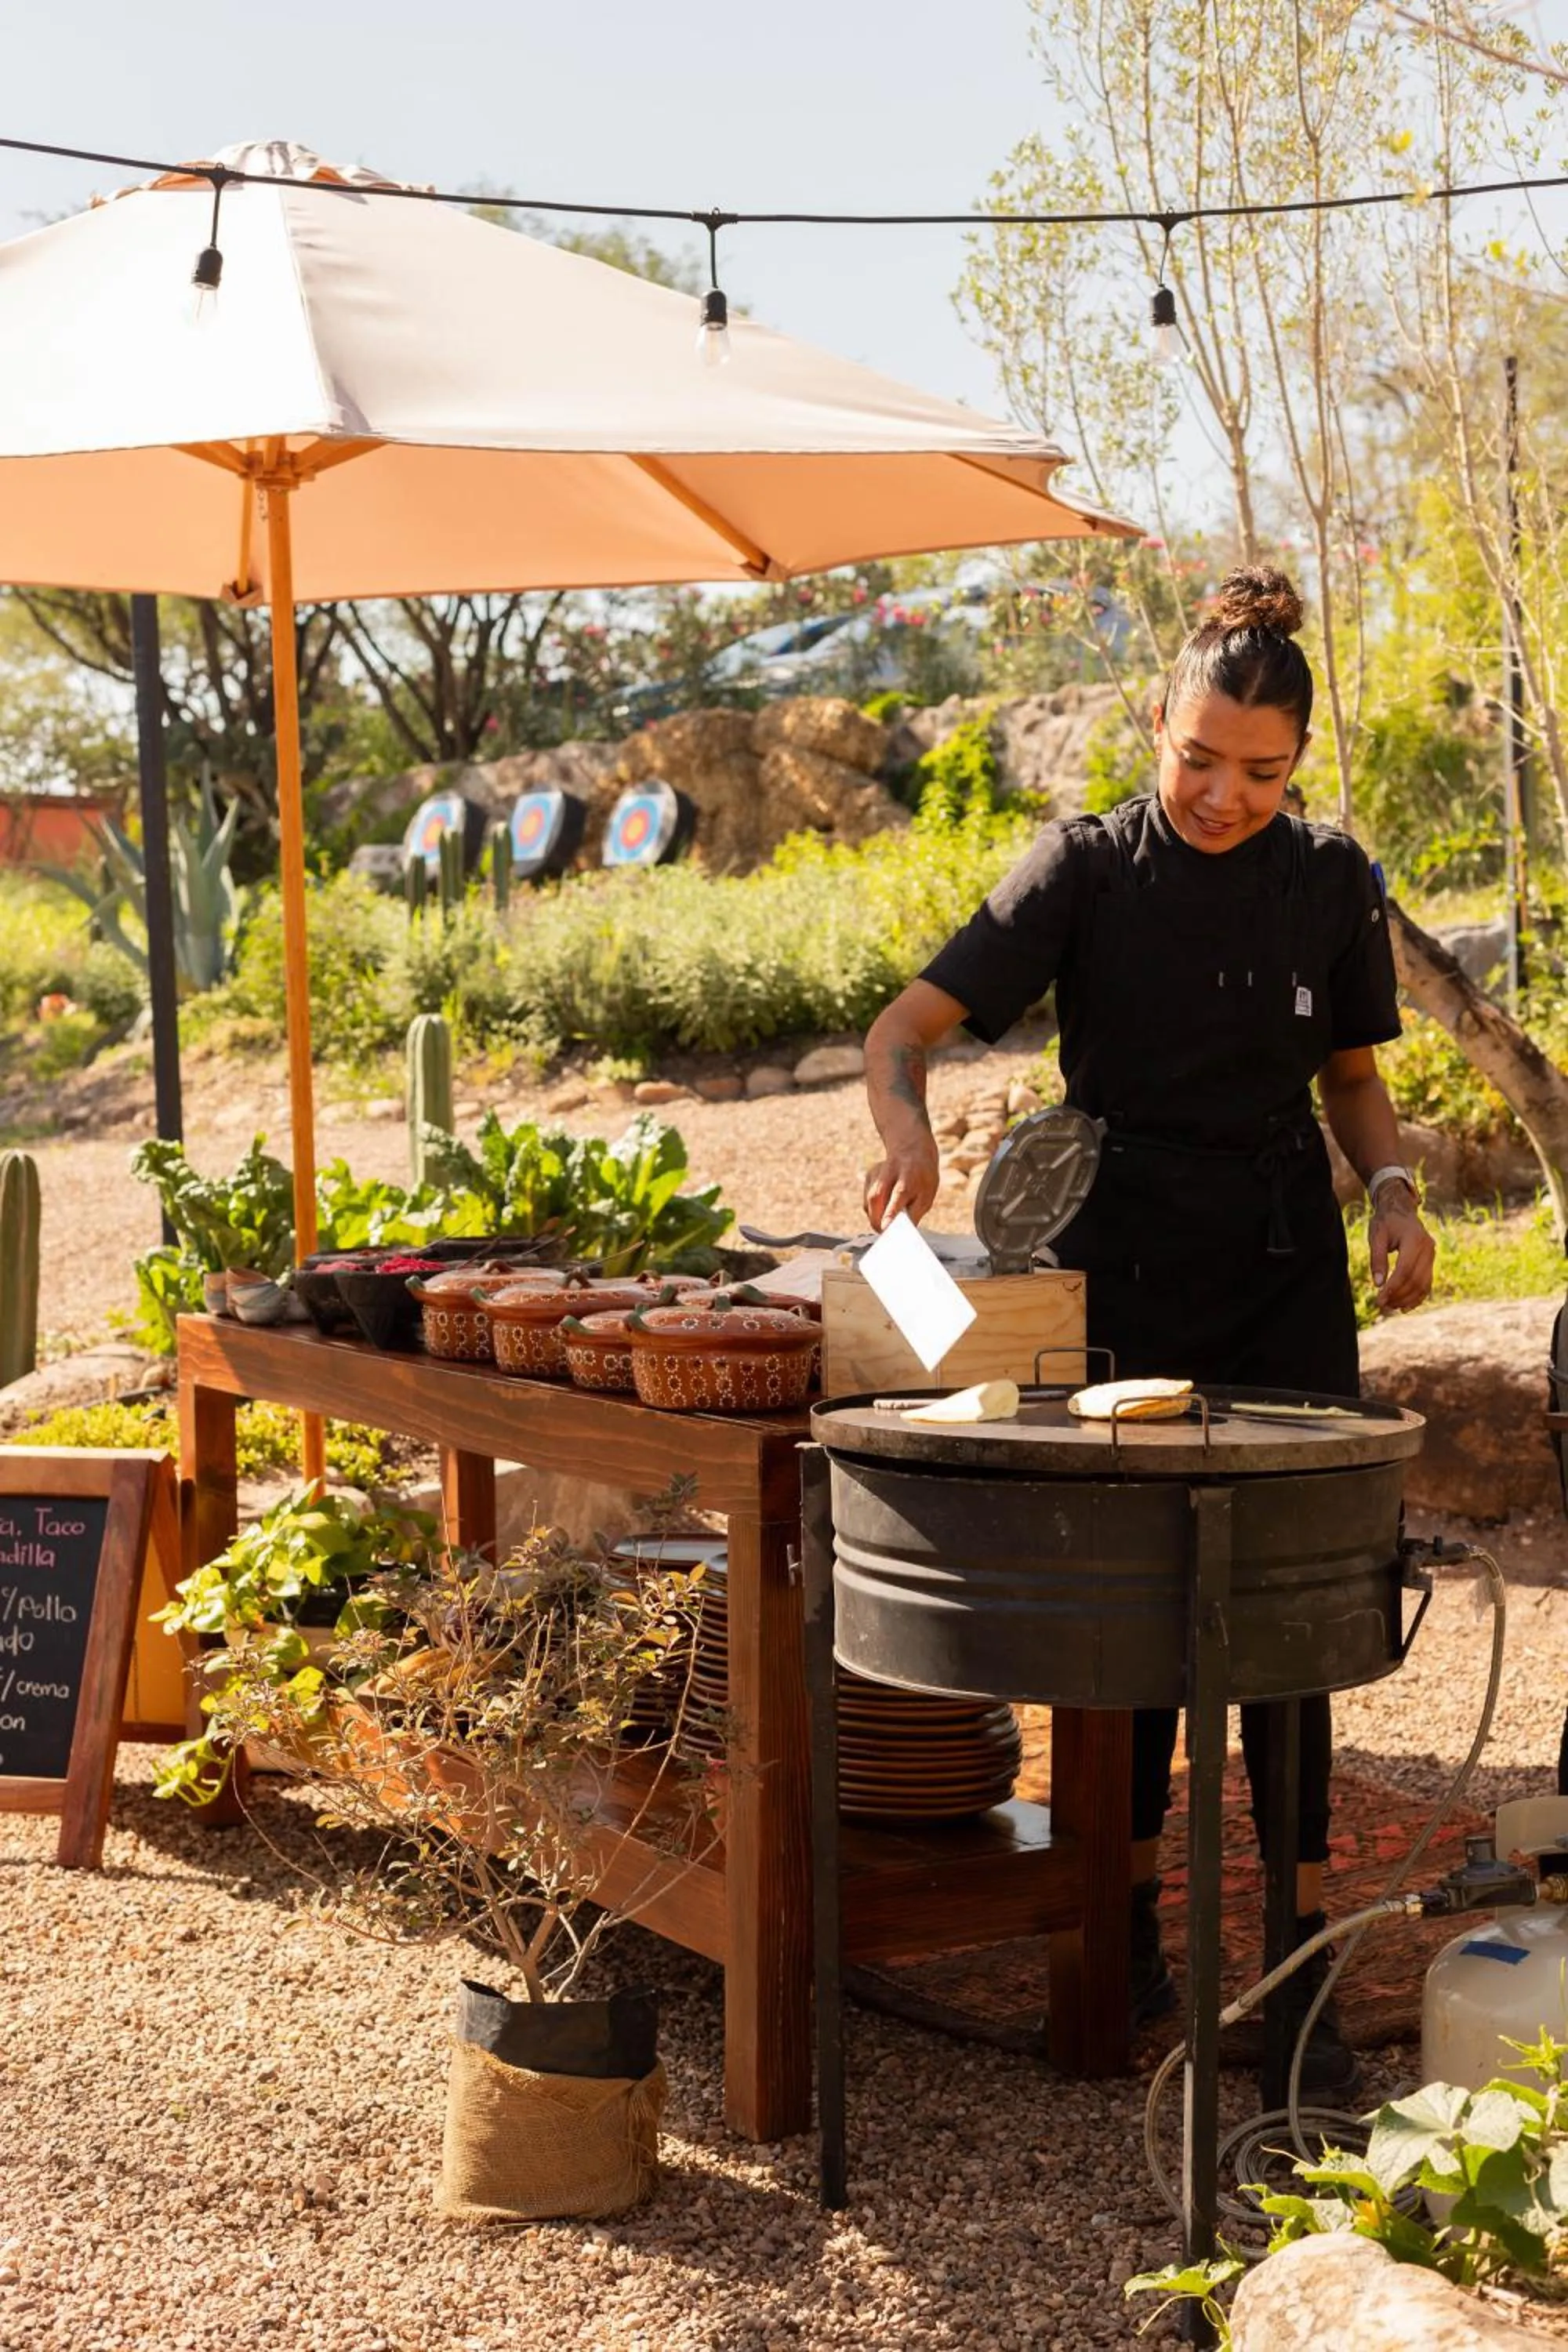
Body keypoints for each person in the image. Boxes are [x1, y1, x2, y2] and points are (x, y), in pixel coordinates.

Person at [861, 566, 1436, 2096]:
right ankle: (1113, 1952)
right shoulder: (1083, 870)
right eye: (1197, 759)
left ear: (1298, 765)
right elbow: (898, 1033)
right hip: (1111, 1267)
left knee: (1290, 1624)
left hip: (1280, 1270)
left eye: (1261, 772)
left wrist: (1388, 1189)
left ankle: (1301, 1990)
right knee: (1121, 1624)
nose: (1224, 794)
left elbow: (1354, 1083)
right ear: (1157, 727)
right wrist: (907, 1138)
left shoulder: (1330, 881)